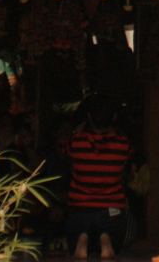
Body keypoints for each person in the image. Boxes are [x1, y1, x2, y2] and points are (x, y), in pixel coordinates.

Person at [62, 94, 136, 260]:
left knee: (75, 235)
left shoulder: (76, 142)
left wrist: (77, 131)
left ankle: (81, 238)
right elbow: (132, 154)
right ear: (114, 118)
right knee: (116, 235)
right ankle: (107, 239)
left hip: (80, 211)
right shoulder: (122, 144)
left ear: (88, 117)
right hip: (111, 212)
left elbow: (61, 149)